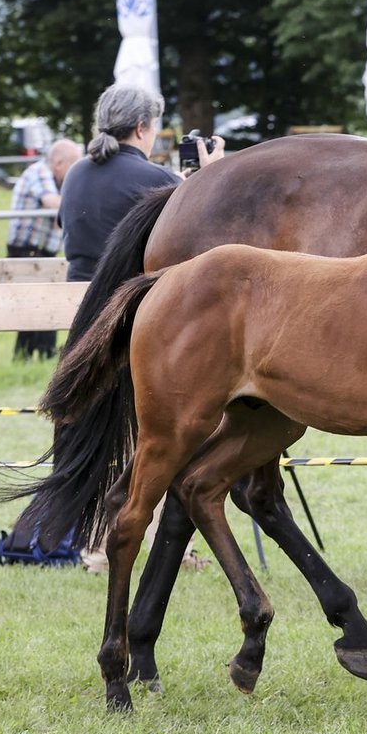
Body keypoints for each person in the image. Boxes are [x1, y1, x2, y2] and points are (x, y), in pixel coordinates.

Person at [55, 83, 222, 572]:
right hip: (136, 313)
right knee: (153, 436)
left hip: (81, 307)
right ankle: (155, 545)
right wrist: (207, 181)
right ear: (144, 128)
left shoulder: (77, 174)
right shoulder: (154, 177)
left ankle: (94, 543)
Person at [58, 83, 224, 281]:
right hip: (126, 300)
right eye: (154, 125)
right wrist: (211, 176)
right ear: (140, 129)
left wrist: (178, 183)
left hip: (75, 290)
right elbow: (204, 234)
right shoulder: (159, 179)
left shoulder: (75, 171)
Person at [6, 139, 83, 361]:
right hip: (26, 252)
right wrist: (80, 201)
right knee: (32, 306)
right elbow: (51, 202)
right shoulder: (39, 173)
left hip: (41, 252)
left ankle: (36, 355)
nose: (75, 171)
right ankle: (28, 355)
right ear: (59, 163)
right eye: (74, 164)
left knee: (44, 303)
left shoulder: (56, 179)